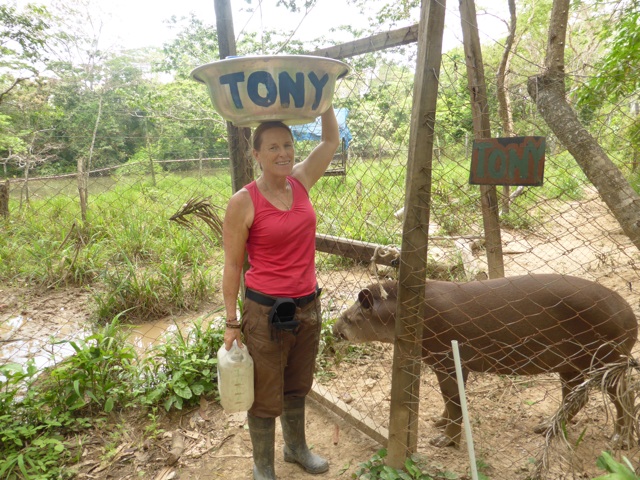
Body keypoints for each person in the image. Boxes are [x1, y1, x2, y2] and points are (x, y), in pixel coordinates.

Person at [221, 107, 340, 479]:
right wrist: (231, 321)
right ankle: (263, 466)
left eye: (287, 145)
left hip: (307, 305)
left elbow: (331, 141)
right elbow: (232, 265)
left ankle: (296, 448)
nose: (283, 153)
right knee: (264, 390)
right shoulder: (244, 201)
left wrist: (325, 101)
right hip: (264, 312)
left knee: (297, 383)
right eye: (272, 147)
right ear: (255, 154)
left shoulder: (302, 180)